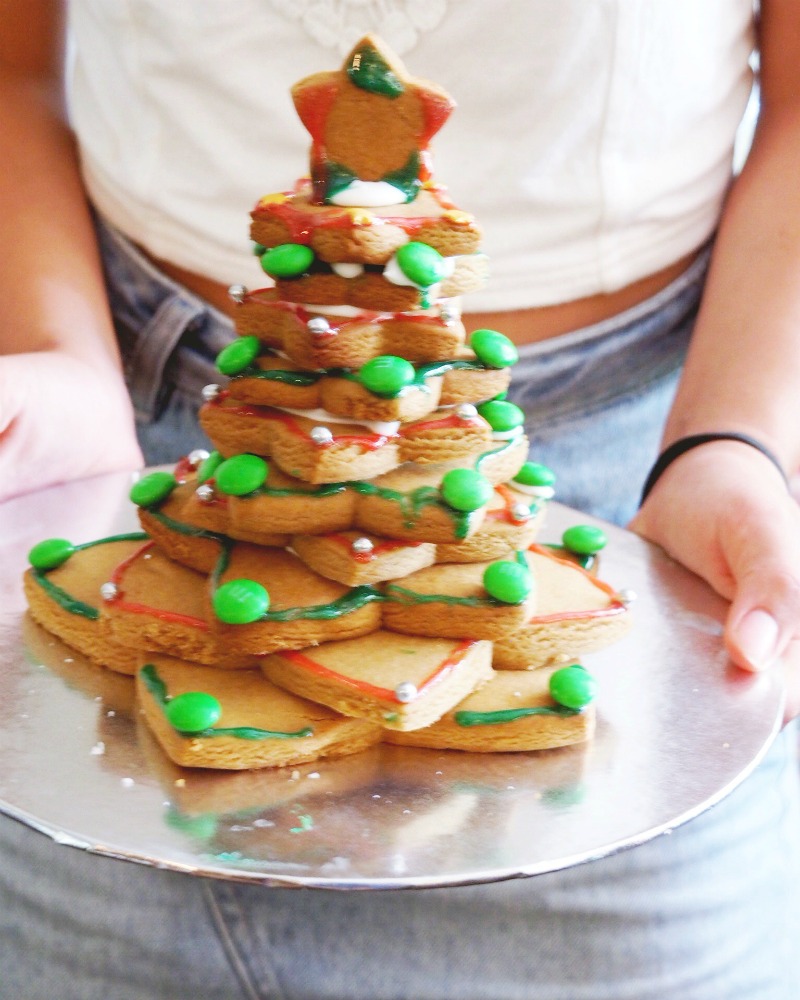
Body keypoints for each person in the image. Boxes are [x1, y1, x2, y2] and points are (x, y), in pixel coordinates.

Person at [1, 2, 799, 997]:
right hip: (162, 470)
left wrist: (736, 440)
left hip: (632, 495)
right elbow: (11, 70)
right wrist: (50, 350)